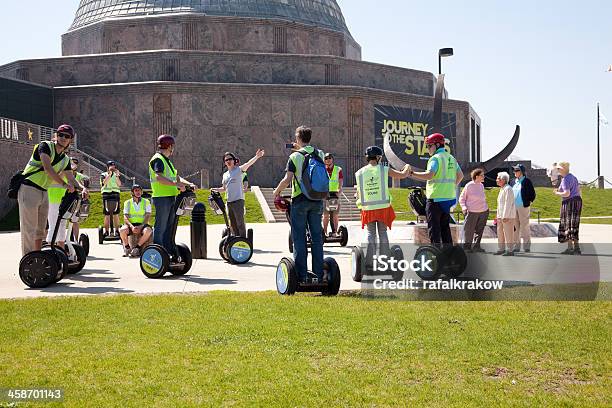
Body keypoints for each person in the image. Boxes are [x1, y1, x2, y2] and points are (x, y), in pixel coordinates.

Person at [272, 126, 326, 282]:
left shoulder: (295, 157)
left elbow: (287, 179)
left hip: (300, 200)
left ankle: (302, 276)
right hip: (317, 199)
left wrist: (276, 192)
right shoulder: (320, 153)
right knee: (317, 238)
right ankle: (319, 275)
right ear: (309, 137)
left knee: (299, 238)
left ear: (297, 138)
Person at [17, 124, 77, 256]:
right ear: (56, 135)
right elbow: (47, 168)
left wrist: (82, 188)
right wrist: (64, 184)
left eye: (66, 136)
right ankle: (28, 261)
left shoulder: (65, 159)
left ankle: (37, 257)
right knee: (29, 228)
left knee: (41, 229)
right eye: (60, 134)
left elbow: (71, 178)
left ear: (70, 140)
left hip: (44, 191)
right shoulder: (45, 146)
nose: (63, 138)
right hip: (29, 188)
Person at [355, 146, 411, 265]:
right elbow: (402, 174)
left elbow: (359, 192)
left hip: (368, 209)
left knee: (370, 234)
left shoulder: (359, 173)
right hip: (382, 208)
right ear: (378, 157)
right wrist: (407, 166)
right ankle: (384, 261)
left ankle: (369, 262)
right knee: (383, 233)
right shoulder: (384, 169)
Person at [408, 133, 464, 245]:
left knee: (434, 230)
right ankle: (449, 255)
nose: (428, 149)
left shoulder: (435, 159)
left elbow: (429, 175)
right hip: (448, 199)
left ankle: (436, 254)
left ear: (437, 145)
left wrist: (412, 174)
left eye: (429, 146)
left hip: (435, 200)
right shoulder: (451, 158)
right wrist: (451, 186)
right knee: (445, 229)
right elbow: (461, 175)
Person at [149, 135, 196, 259]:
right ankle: (157, 253)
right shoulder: (158, 159)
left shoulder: (167, 160)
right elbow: (159, 177)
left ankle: (168, 250)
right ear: (169, 146)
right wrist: (177, 185)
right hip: (161, 197)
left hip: (170, 197)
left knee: (170, 226)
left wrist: (188, 184)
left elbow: (176, 178)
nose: (173, 148)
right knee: (161, 226)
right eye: (172, 146)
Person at [211, 149, 265, 237]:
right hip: (229, 202)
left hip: (238, 201)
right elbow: (224, 188)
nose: (228, 161)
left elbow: (248, 163)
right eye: (226, 160)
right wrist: (215, 189)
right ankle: (235, 241)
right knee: (232, 224)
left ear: (234, 160)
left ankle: (243, 241)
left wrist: (257, 156)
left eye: (230, 159)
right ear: (224, 163)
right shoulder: (225, 175)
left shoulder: (239, 170)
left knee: (240, 223)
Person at [46, 157, 89, 249]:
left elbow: (73, 180)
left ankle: (61, 251)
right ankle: (50, 251)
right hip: (52, 200)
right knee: (53, 225)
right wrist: (65, 170)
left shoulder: (66, 168)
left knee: (62, 226)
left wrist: (83, 188)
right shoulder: (53, 166)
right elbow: (55, 177)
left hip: (64, 200)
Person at [553, 162, 582, 255]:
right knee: (574, 225)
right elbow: (578, 190)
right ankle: (576, 247)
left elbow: (567, 193)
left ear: (563, 169)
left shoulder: (565, 179)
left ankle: (570, 248)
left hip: (569, 202)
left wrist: (557, 193)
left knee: (568, 224)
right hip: (577, 201)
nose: (558, 170)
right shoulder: (573, 177)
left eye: (559, 169)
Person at [458, 168, 489, 252]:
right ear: (477, 176)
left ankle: (476, 246)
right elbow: (461, 198)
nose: (484, 177)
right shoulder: (469, 185)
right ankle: (467, 247)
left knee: (480, 230)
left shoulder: (481, 185)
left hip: (483, 211)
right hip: (471, 212)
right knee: (469, 230)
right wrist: (464, 208)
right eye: (482, 175)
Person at [119, 184, 152, 257]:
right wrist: (131, 226)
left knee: (148, 231)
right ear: (132, 192)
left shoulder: (146, 202)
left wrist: (141, 226)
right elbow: (125, 217)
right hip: (131, 225)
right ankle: (127, 248)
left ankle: (137, 248)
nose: (138, 192)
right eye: (136, 190)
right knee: (122, 230)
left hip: (142, 225)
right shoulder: (127, 202)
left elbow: (147, 216)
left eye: (139, 190)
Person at [511, 164, 536, 252]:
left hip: (523, 207)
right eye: (514, 170)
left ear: (521, 172)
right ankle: (516, 246)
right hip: (514, 207)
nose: (514, 172)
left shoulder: (527, 181)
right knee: (515, 227)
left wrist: (529, 201)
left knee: (524, 226)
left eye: (517, 170)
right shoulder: (513, 181)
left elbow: (532, 194)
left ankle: (526, 247)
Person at [495, 172, 516, 256]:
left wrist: (505, 216)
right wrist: (498, 216)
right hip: (500, 216)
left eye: (498, 179)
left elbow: (508, 203)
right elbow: (500, 204)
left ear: (503, 180)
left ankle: (510, 250)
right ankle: (501, 249)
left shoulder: (508, 189)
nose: (496, 180)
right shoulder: (502, 189)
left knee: (508, 233)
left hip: (507, 216)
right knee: (500, 233)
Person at [69, 158, 90, 240]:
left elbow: (85, 181)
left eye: (75, 163)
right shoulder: (64, 174)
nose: (73, 164)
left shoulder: (79, 176)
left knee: (75, 221)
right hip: (65, 199)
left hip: (76, 200)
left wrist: (84, 187)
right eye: (71, 163)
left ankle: (76, 239)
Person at [322, 152, 343, 237]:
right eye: (326, 158)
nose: (328, 160)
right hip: (324, 195)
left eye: (329, 158)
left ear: (332, 159)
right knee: (326, 215)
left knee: (335, 215)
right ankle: (325, 232)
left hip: (335, 194)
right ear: (324, 160)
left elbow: (340, 181)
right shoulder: (322, 169)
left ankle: (335, 232)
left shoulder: (338, 169)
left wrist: (339, 190)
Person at [100, 160, 122, 237]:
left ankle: (117, 231)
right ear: (107, 167)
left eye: (114, 166)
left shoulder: (117, 175)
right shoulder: (103, 174)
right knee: (107, 214)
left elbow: (119, 184)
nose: (113, 168)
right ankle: (106, 231)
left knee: (116, 213)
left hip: (115, 194)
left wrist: (116, 176)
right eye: (111, 166)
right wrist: (109, 175)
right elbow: (103, 183)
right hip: (106, 195)